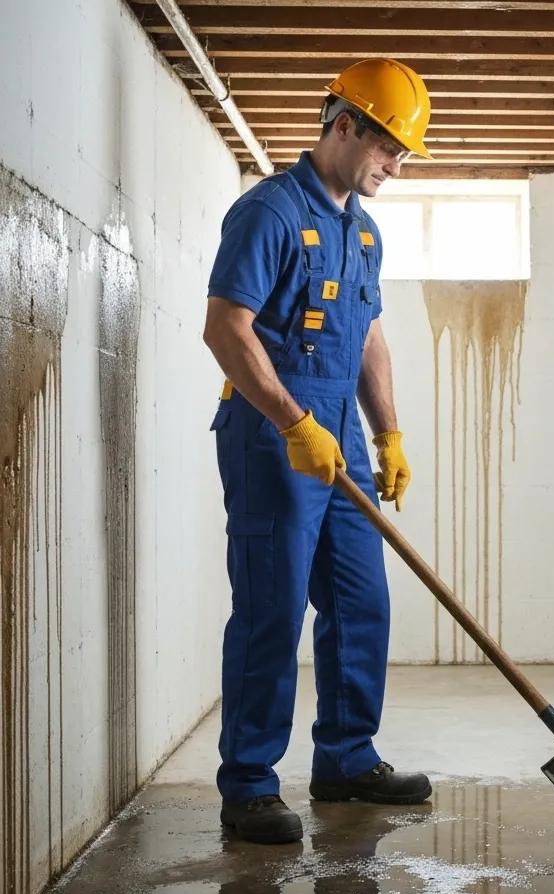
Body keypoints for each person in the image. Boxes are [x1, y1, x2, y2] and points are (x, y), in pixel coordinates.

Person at [203, 58, 434, 845]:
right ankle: (250, 786)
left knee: (362, 603)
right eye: (388, 149)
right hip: (272, 435)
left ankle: (345, 759)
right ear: (344, 126)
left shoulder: (363, 232)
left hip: (340, 438)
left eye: (402, 155)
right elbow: (226, 330)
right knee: (272, 610)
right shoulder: (268, 211)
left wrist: (389, 432)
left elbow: (367, 334)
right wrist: (295, 422)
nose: (394, 167)